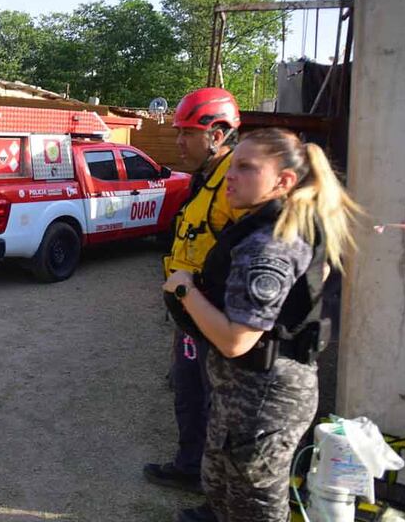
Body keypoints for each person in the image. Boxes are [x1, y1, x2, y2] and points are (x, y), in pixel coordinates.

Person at [163, 128, 359, 522]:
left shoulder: (270, 243)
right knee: (220, 482)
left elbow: (237, 339)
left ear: (283, 181)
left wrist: (185, 290)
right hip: (241, 390)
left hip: (265, 396)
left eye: (247, 168)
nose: (230, 177)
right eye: (232, 165)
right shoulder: (261, 226)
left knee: (255, 503)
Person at [144, 88, 243, 522]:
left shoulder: (234, 185)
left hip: (213, 319)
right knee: (188, 394)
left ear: (218, 133)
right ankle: (190, 468)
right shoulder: (206, 177)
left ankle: (220, 499)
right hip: (191, 316)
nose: (179, 141)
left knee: (218, 408)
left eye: (188, 132)